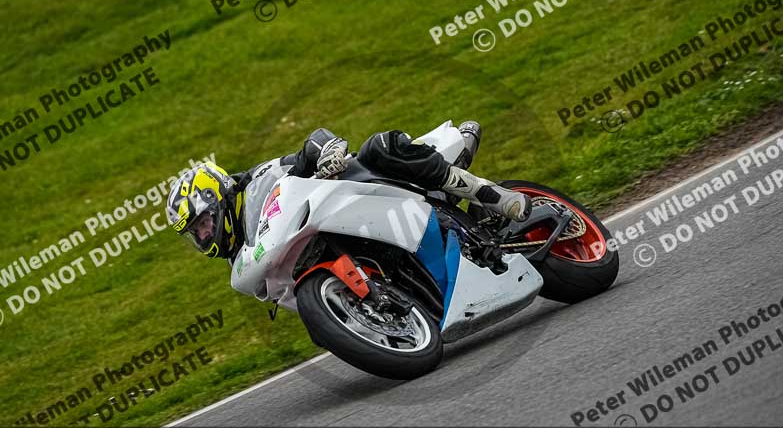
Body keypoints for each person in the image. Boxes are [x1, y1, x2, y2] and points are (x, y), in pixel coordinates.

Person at [166, 121, 531, 260]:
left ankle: (492, 196)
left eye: (203, 223)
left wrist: (328, 151)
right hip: (352, 236)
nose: (204, 235)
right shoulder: (245, 255)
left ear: (217, 199)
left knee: (378, 147)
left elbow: (310, 145)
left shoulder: (258, 181)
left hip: (365, 187)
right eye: (196, 234)